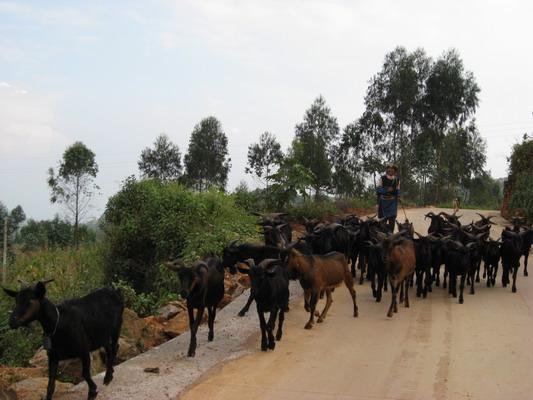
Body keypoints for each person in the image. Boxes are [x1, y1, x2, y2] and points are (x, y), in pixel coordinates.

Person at [376, 165, 400, 233]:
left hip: (392, 202)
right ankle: (383, 237)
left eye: (392, 170)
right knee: (382, 222)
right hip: (383, 203)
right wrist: (386, 190)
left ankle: (391, 236)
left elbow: (398, 190)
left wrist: (398, 196)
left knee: (392, 221)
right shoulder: (382, 178)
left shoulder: (397, 180)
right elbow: (378, 189)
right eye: (389, 169)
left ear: (394, 171)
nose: (390, 171)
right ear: (387, 170)